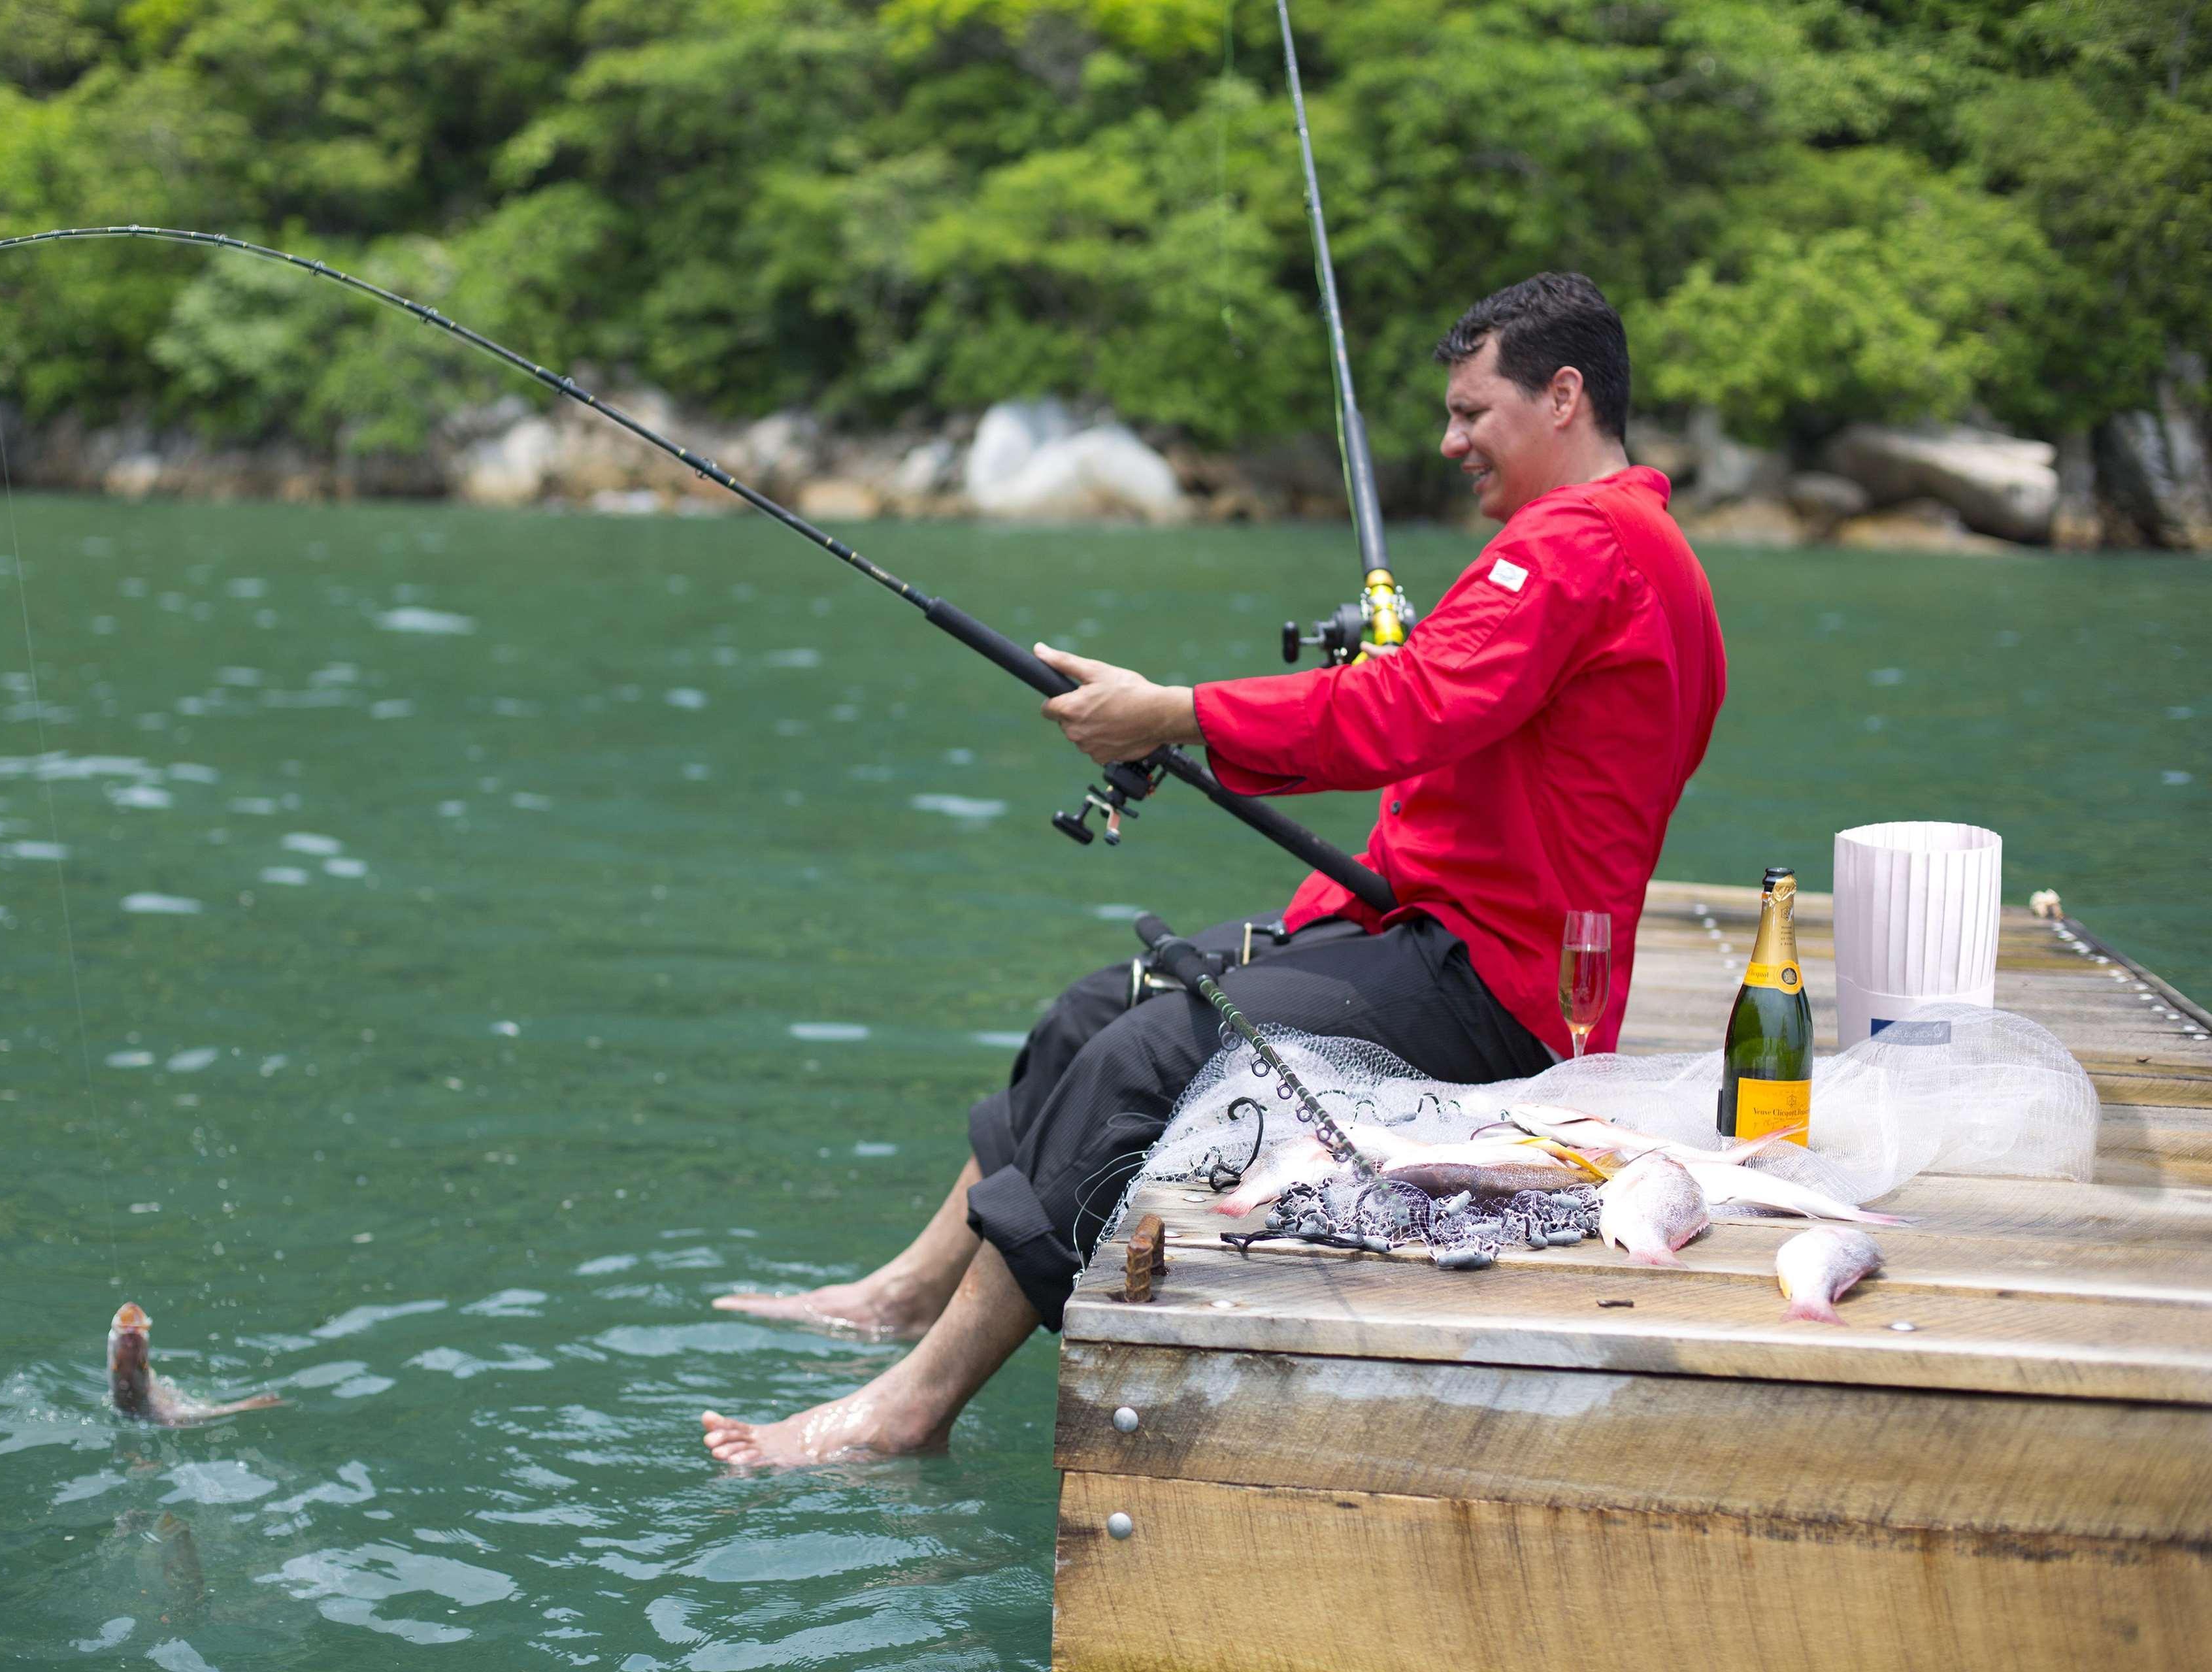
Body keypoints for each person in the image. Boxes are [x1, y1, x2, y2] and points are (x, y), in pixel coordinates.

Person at [701, 272, 1726, 1468]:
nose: (1448, 442)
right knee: (1098, 1007)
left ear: (1564, 396)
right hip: (1417, 928)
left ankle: (911, 1406)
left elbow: (1413, 706)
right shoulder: (1619, 551)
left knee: (1149, 1062)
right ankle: (908, 1291)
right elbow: (1452, 716)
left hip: (1493, 987)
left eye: (1472, 412)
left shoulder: (1581, 541)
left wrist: (1173, 714)